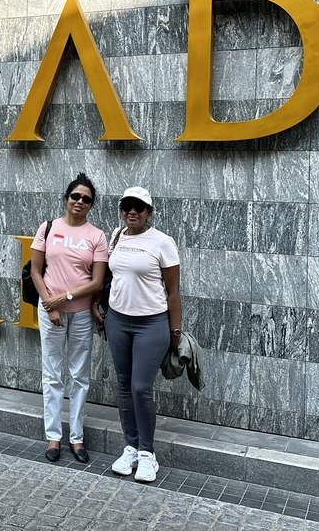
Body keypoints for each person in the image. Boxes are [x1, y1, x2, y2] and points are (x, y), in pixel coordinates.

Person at [95, 186, 182, 483]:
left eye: (139, 207)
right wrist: (98, 305)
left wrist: (175, 331)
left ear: (149, 212)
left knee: (141, 388)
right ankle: (130, 446)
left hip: (151, 323)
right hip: (118, 320)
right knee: (123, 385)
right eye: (126, 206)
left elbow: (173, 292)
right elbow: (108, 277)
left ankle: (148, 453)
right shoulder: (117, 236)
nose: (132, 211)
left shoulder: (162, 242)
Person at [29, 172, 108, 463]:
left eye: (86, 199)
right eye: (75, 196)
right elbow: (36, 271)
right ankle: (53, 436)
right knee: (52, 375)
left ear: (91, 205)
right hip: (50, 313)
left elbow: (97, 282)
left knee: (79, 376)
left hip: (81, 315)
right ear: (66, 199)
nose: (80, 202)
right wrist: (50, 306)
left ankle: (77, 438)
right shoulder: (48, 228)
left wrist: (64, 299)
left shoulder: (96, 236)